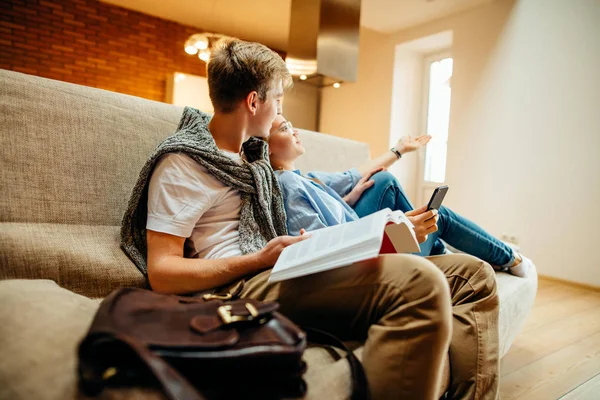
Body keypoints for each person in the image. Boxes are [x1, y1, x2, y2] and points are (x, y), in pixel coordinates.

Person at [120, 38, 500, 399]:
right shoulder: (183, 164)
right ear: (254, 102)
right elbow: (163, 273)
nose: (280, 113)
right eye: (279, 103)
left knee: (474, 275)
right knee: (422, 281)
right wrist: (259, 259)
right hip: (243, 285)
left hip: (283, 263)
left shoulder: (254, 158)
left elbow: (331, 189)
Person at [268, 115, 531, 278]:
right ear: (266, 150)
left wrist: (347, 199)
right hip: (365, 255)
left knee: (382, 180)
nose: (295, 131)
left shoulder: (307, 178)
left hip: (366, 240)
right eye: (284, 128)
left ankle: (429, 243)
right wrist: (395, 229)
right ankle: (511, 258)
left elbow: (353, 176)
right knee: (440, 216)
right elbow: (323, 244)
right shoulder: (288, 183)